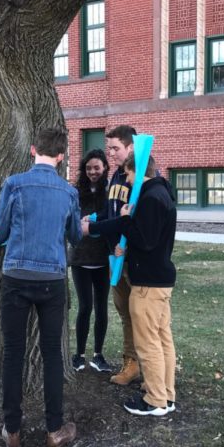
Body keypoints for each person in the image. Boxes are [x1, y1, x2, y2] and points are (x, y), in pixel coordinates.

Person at [0, 127, 81, 447]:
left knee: (13, 353)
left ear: (32, 150)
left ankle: (12, 430)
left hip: (16, 276)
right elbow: (76, 236)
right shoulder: (69, 192)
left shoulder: (14, 184)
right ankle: (54, 429)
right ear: (61, 156)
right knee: (52, 354)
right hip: (52, 280)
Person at [83, 153, 178, 417]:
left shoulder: (150, 198)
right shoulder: (161, 193)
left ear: (138, 171)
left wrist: (125, 220)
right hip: (159, 279)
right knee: (162, 339)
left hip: (147, 283)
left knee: (148, 343)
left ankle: (155, 399)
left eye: (128, 173)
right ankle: (166, 394)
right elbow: (150, 239)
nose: (127, 178)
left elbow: (144, 239)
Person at [97, 125, 141, 385]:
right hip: (114, 258)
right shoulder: (115, 176)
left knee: (141, 314)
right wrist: (92, 220)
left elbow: (142, 223)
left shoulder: (140, 178)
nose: (111, 154)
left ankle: (146, 364)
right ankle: (131, 362)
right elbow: (110, 212)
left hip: (133, 260)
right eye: (109, 148)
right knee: (124, 312)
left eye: (116, 148)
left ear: (131, 147)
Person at [68, 149, 113, 373]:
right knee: (85, 307)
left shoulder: (110, 192)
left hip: (103, 258)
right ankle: (79, 355)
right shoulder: (75, 192)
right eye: (88, 168)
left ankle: (98, 355)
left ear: (105, 167)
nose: (93, 172)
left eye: (97, 167)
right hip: (80, 258)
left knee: (101, 307)